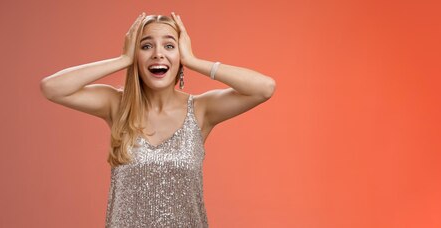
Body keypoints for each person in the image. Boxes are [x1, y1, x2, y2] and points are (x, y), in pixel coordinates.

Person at [40, 12, 275, 228]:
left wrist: (193, 61)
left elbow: (264, 88)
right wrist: (123, 59)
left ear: (180, 55)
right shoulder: (117, 105)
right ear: (136, 55)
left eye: (169, 45)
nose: (158, 53)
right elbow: (52, 88)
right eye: (146, 46)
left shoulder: (201, 110)